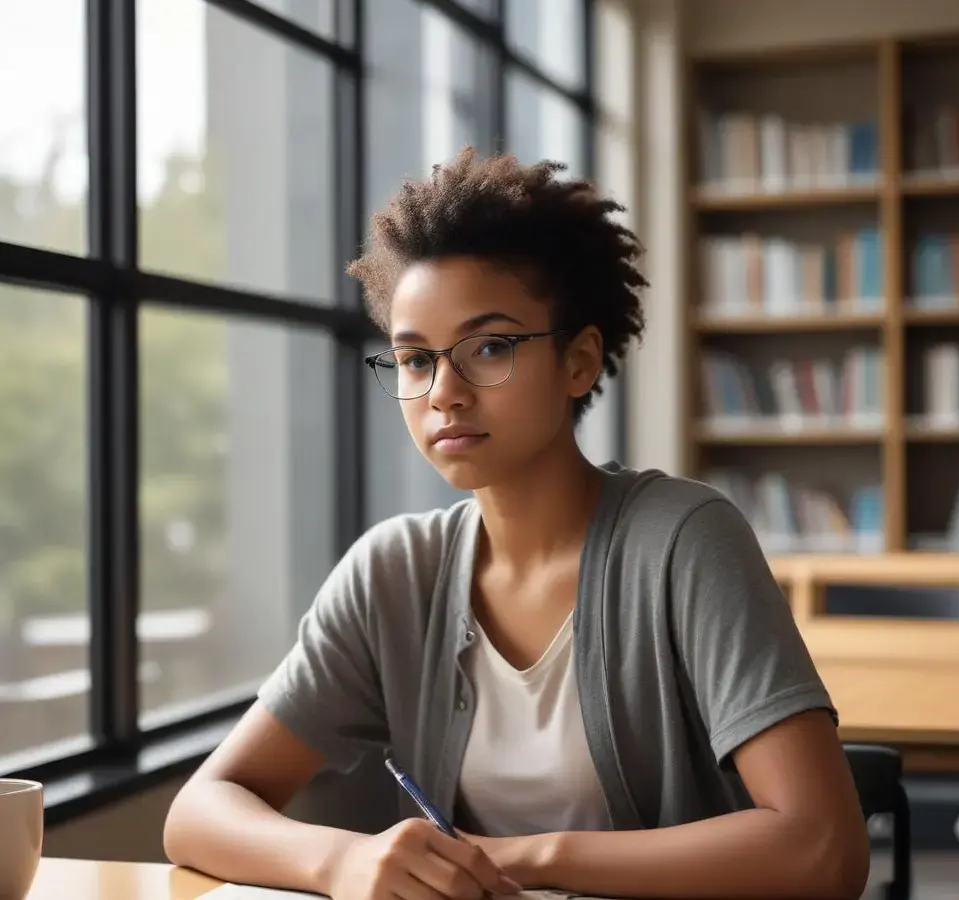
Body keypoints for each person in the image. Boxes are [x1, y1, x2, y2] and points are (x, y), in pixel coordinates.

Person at [163, 148, 870, 900]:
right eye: (414, 360)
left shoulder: (683, 539)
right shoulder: (394, 574)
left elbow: (822, 849)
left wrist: (518, 859)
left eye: (489, 347)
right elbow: (199, 813)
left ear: (578, 361)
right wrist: (344, 863)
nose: (444, 393)